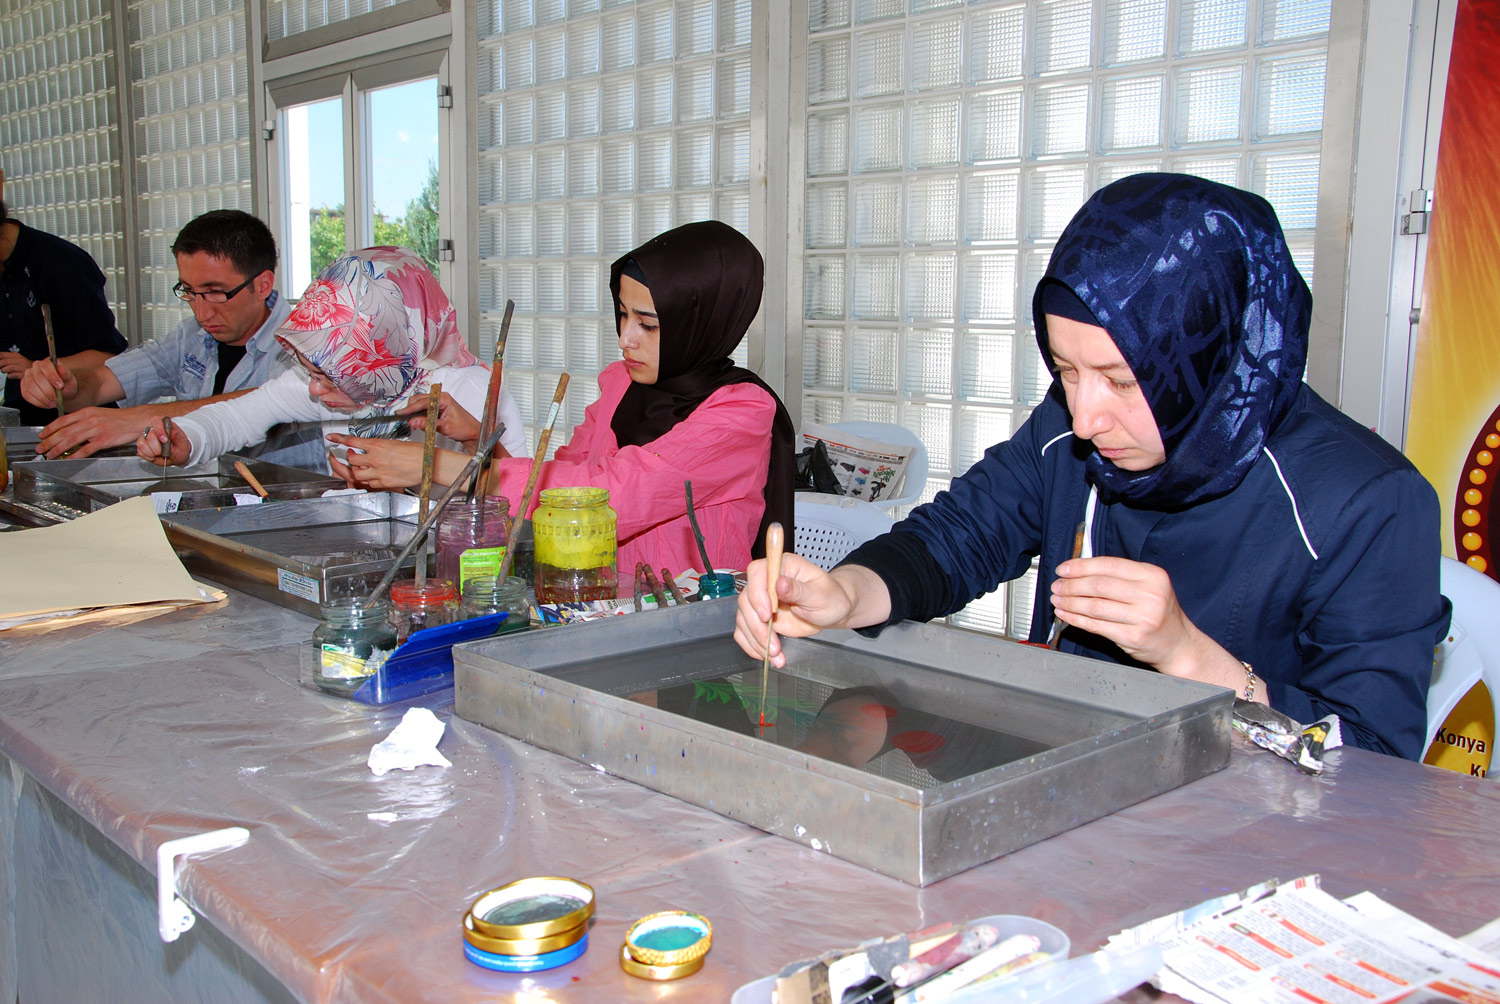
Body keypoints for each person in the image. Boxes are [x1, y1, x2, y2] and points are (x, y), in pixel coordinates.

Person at [735, 173, 1448, 760]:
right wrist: (848, 593)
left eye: (1122, 381)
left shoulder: (1368, 503)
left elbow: (1377, 757)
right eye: (1066, 369)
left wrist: (1190, 656)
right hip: (1080, 775)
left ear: (1206, 360)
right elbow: (963, 532)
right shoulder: (1071, 431)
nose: (1084, 418)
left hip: (1250, 836)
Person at [329, 220, 796, 577]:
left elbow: (613, 496)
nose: (626, 339)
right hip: (592, 598)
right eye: (622, 314)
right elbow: (558, 494)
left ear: (706, 322)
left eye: (648, 324)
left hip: (689, 622)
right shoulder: (621, 384)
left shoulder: (742, 413)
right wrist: (479, 442)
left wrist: (439, 466)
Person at [141, 246, 524, 470]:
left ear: (381, 361)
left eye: (329, 378)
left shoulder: (468, 391)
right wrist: (188, 439)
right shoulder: (328, 380)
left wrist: (425, 466)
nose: (313, 388)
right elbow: (239, 415)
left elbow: (516, 496)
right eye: (311, 372)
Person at [20, 209, 295, 459]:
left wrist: (136, 419)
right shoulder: (190, 337)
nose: (202, 313)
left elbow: (267, 403)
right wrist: (69, 386)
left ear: (262, 285)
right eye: (189, 291)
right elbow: (103, 384)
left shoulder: (305, 345)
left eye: (215, 292)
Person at [0, 192, 129, 426]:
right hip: (17, 422)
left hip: (76, 423)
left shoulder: (61, 263)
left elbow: (109, 356)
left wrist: (38, 368)